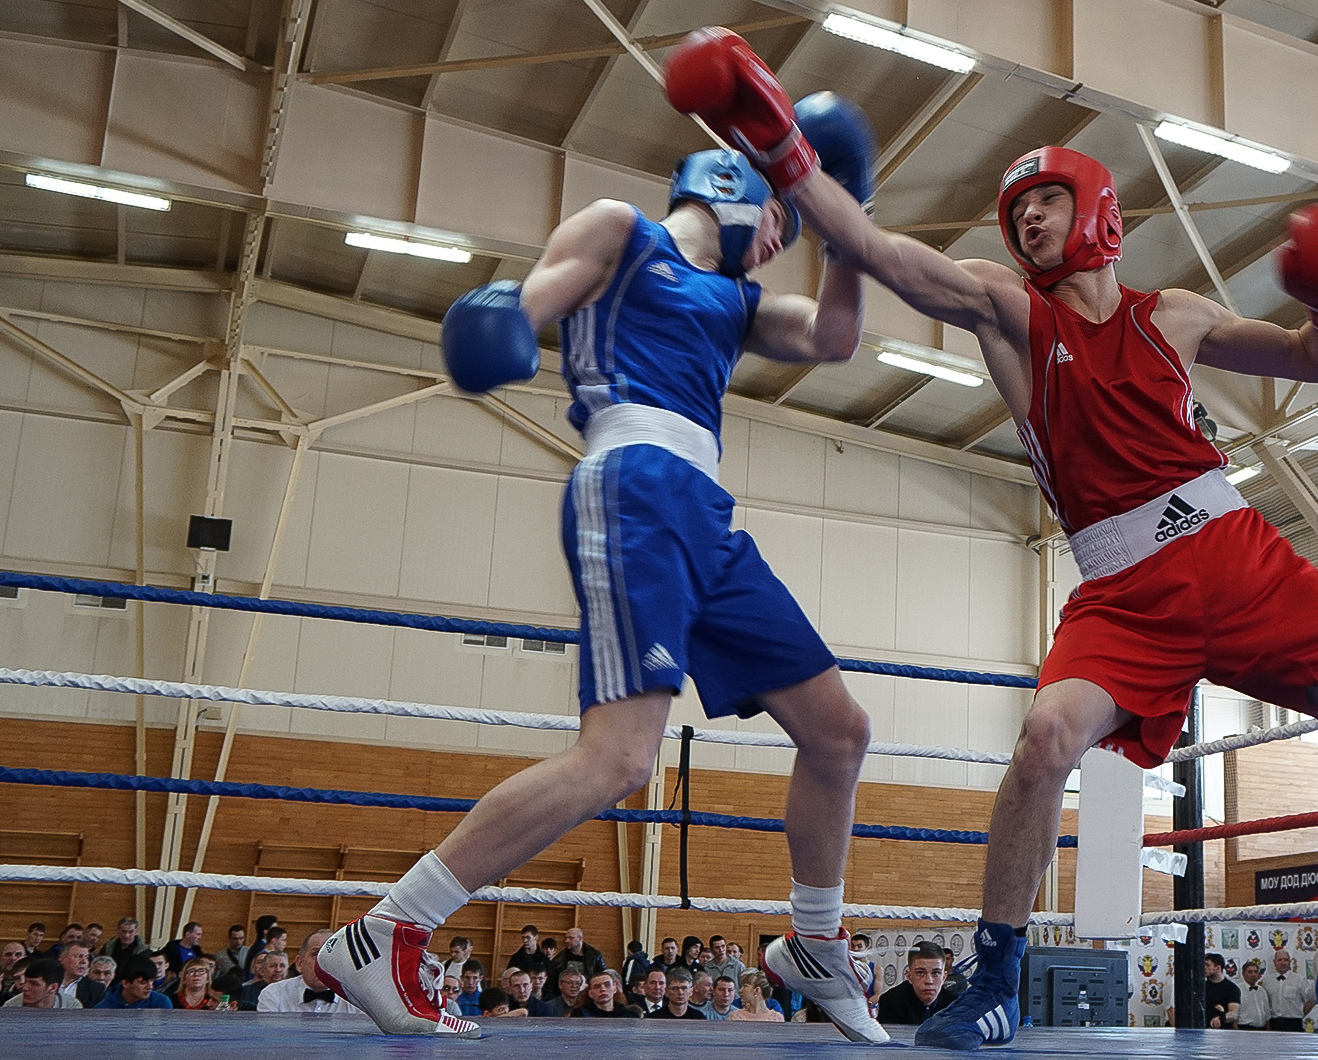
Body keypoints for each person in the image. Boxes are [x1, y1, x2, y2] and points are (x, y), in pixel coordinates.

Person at [657, 24, 1318, 1050]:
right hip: (1122, 591)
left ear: (1098, 207)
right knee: (1043, 741)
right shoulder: (1006, 309)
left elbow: (1317, 360)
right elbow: (883, 256)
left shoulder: (1182, 317)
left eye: (1045, 199)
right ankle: (995, 975)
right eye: (1015, 210)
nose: (1027, 219)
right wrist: (785, 154)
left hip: (1243, 558)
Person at [317, 140, 883, 1046]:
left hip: (705, 512)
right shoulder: (624, 232)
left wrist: (847, 228)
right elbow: (525, 304)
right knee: (618, 759)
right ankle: (385, 930)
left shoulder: (741, 303)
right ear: (734, 190)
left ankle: (814, 942)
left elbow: (833, 339)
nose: (785, 232)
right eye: (783, 212)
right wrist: (500, 325)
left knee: (839, 731)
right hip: (634, 487)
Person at [258, 931, 361, 1015]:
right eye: (316, 953)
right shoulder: (274, 994)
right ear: (299, 963)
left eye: (333, 954)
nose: (324, 961)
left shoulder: (358, 1000)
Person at [878, 942, 959, 1025]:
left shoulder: (955, 1004)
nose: (929, 981)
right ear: (909, 976)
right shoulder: (892, 1001)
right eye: (920, 973)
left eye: (936, 973)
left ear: (944, 978)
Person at [94, 955, 174, 1010]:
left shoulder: (161, 1003)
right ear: (126, 983)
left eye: (151, 981)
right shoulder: (103, 1009)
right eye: (143, 982)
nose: (150, 986)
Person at [3, 958, 80, 1009]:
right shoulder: (11, 1006)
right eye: (26, 981)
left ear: (53, 987)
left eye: (34, 984)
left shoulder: (72, 1007)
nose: (25, 988)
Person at [1267, 951, 1314, 1032]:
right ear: (1274, 962)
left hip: (1294, 1023)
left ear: (1290, 962)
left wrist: (1301, 1013)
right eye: (1280, 960)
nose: (1283, 962)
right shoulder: (1267, 981)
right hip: (1274, 1023)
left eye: (1286, 960)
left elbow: (1311, 1000)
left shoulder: (1299, 979)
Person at [572, 970, 637, 1018]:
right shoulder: (580, 1015)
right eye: (596, 986)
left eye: (607, 985)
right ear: (590, 993)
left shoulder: (629, 1015)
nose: (602, 989)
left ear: (614, 989)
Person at [1203, 952, 1242, 1029]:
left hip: (1224, 1033)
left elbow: (1234, 1014)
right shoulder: (1202, 987)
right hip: (1204, 1030)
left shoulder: (1232, 988)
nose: (1204, 968)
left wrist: (1220, 1018)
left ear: (1218, 968)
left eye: (1207, 965)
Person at [1236, 955, 1272, 1030]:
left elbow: (1267, 1013)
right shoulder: (1237, 990)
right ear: (1243, 973)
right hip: (1245, 1029)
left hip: (1262, 1030)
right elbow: (1234, 1015)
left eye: (1255, 972)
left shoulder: (1261, 990)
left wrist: (1268, 1031)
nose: (1253, 974)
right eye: (1250, 972)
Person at [212, 924, 249, 994]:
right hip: (226, 988)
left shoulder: (249, 952)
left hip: (244, 986)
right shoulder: (219, 956)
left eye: (241, 938)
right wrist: (218, 968)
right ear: (229, 938)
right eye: (235, 939)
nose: (238, 941)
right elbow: (214, 977)